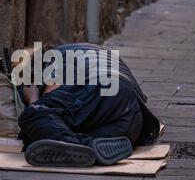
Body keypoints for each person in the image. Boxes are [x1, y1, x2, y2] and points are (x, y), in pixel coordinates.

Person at [18, 43, 163, 167]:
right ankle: (91, 147)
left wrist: (33, 99)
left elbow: (50, 98)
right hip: (131, 122)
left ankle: (81, 146)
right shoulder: (91, 53)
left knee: (34, 114)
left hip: (101, 91)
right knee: (58, 131)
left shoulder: (55, 60)